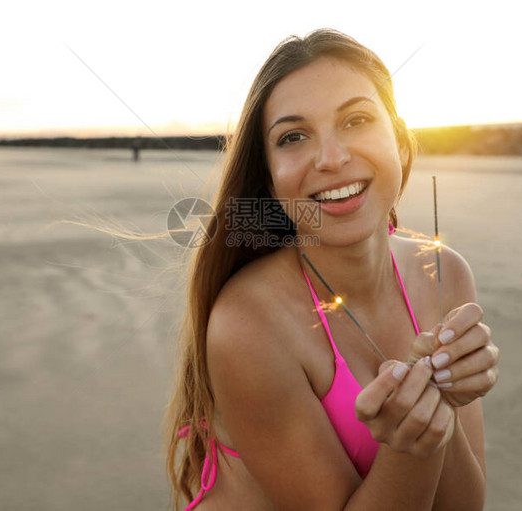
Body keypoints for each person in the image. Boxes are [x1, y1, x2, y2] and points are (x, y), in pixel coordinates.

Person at [164, 28, 500, 510]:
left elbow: (462, 506)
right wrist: (408, 444)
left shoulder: (444, 274)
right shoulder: (248, 325)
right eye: (293, 137)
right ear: (270, 178)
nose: (332, 158)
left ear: (401, 143)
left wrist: (440, 406)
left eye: (357, 119)